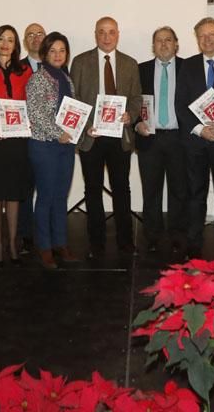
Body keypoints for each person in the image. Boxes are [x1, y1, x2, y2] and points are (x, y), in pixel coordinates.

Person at [70, 17, 142, 258]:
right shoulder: (80, 62)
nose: (107, 37)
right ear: (95, 34)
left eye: (111, 32)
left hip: (120, 136)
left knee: (122, 188)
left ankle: (125, 241)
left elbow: (136, 99)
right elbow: (75, 100)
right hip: (92, 136)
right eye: (102, 32)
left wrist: (130, 115)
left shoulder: (130, 64)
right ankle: (96, 242)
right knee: (92, 190)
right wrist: (85, 127)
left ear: (118, 34)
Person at [174, 17, 214, 259]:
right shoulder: (187, 66)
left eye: (212, 34)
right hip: (195, 142)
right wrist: (200, 129)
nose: (208, 39)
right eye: (203, 35)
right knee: (195, 194)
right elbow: (180, 104)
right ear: (197, 39)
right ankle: (193, 241)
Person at [25, 32, 78, 269]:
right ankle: (44, 247)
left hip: (66, 146)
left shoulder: (67, 78)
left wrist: (82, 129)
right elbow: (36, 116)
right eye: (53, 51)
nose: (58, 55)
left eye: (62, 51)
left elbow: (72, 112)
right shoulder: (38, 78)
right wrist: (60, 134)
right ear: (45, 53)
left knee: (60, 196)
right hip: (44, 145)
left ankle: (61, 244)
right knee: (46, 197)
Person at [0, 25, 33, 268]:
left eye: (10, 40)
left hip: (18, 139)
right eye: (1, 39)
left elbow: (30, 103)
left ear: (16, 46)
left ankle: (13, 243)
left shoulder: (25, 70)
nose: (5, 44)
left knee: (13, 193)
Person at [135, 27, 187, 254]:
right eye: (159, 41)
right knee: (151, 190)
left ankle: (177, 235)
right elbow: (132, 100)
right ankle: (153, 236)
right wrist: (136, 122)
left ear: (176, 44)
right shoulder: (140, 70)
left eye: (168, 40)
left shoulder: (188, 67)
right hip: (150, 138)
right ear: (153, 46)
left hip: (179, 138)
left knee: (179, 190)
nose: (164, 44)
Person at [18, 22, 46, 255]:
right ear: (25, 41)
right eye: (30, 35)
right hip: (25, 139)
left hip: (51, 141)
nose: (35, 38)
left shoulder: (59, 66)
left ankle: (45, 233)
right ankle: (26, 236)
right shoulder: (17, 69)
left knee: (48, 190)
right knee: (26, 189)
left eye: (40, 34)